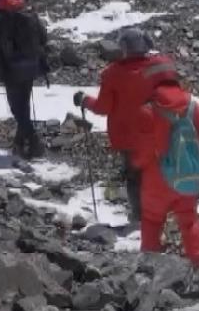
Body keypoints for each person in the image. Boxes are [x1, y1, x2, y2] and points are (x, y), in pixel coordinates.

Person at [74, 28, 176, 225]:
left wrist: (84, 100)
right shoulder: (160, 67)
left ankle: (139, 217)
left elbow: (103, 108)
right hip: (155, 130)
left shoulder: (112, 74)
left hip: (127, 135)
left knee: (134, 176)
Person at [131, 80, 199, 268]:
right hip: (186, 176)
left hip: (155, 178)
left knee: (152, 220)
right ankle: (197, 265)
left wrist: (138, 165)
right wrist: (194, 161)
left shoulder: (148, 110)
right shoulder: (193, 107)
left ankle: (149, 268)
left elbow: (141, 149)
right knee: (189, 220)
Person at [0, 0, 51, 159]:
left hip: (12, 69)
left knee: (17, 108)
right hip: (32, 66)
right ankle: (19, 145)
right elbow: (44, 37)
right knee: (23, 105)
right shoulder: (28, 14)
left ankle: (34, 142)